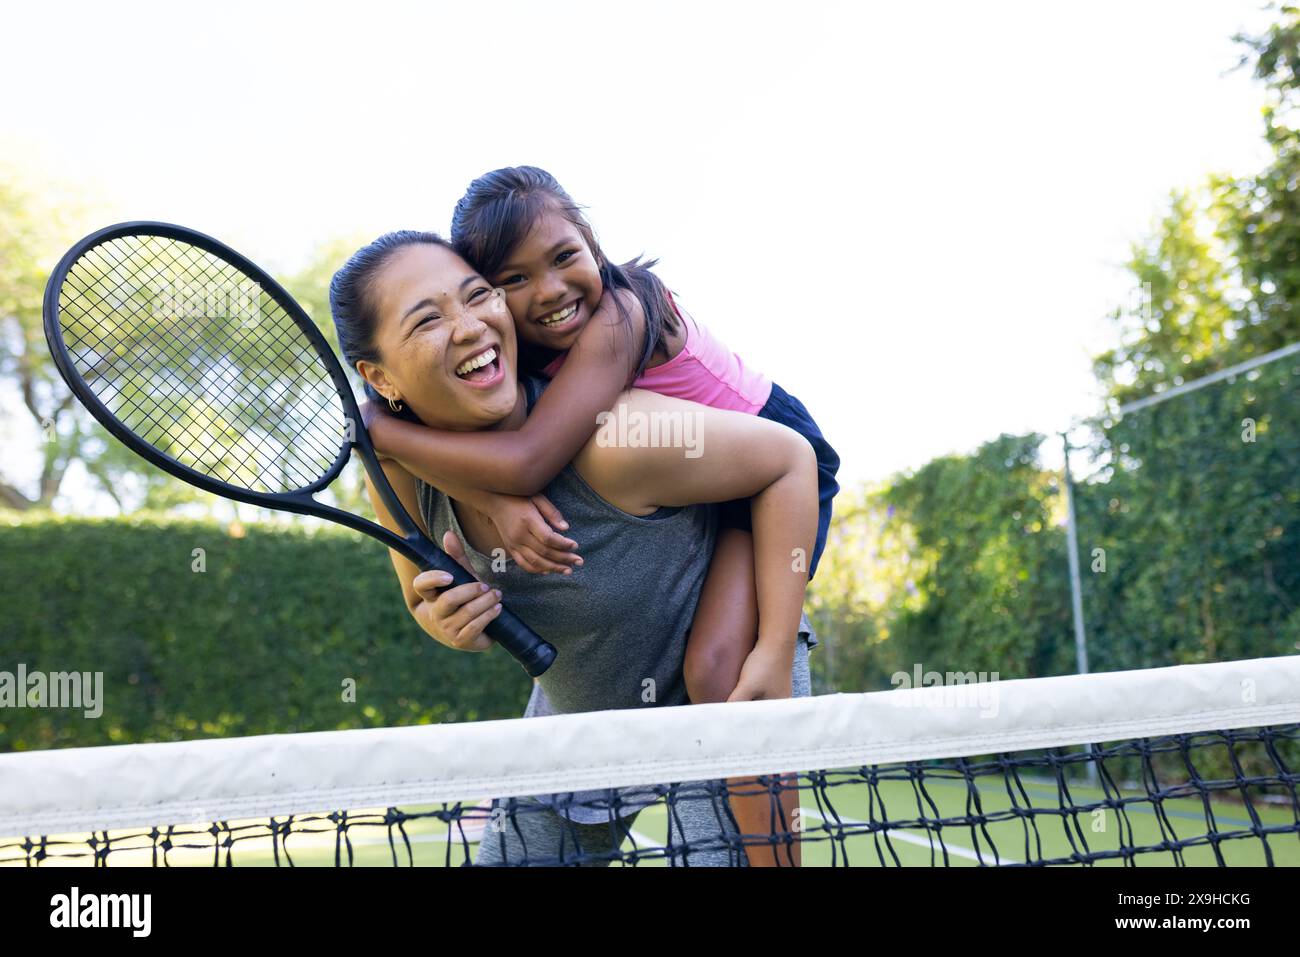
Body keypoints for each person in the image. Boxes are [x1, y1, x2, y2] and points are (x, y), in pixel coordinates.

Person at [330, 231, 819, 865]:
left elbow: (789, 460)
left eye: (478, 296)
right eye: (428, 320)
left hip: (725, 688)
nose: (471, 326)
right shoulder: (393, 468)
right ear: (378, 377)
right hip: (578, 717)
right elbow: (420, 599)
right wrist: (448, 623)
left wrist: (774, 649)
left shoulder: (618, 438)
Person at [365, 166, 840, 713]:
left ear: (591, 243)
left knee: (717, 669)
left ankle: (776, 672)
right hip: (710, 477)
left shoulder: (622, 314)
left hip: (775, 469)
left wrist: (384, 433)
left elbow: (528, 461)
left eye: (564, 256)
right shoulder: (527, 340)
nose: (549, 290)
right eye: (513, 280)